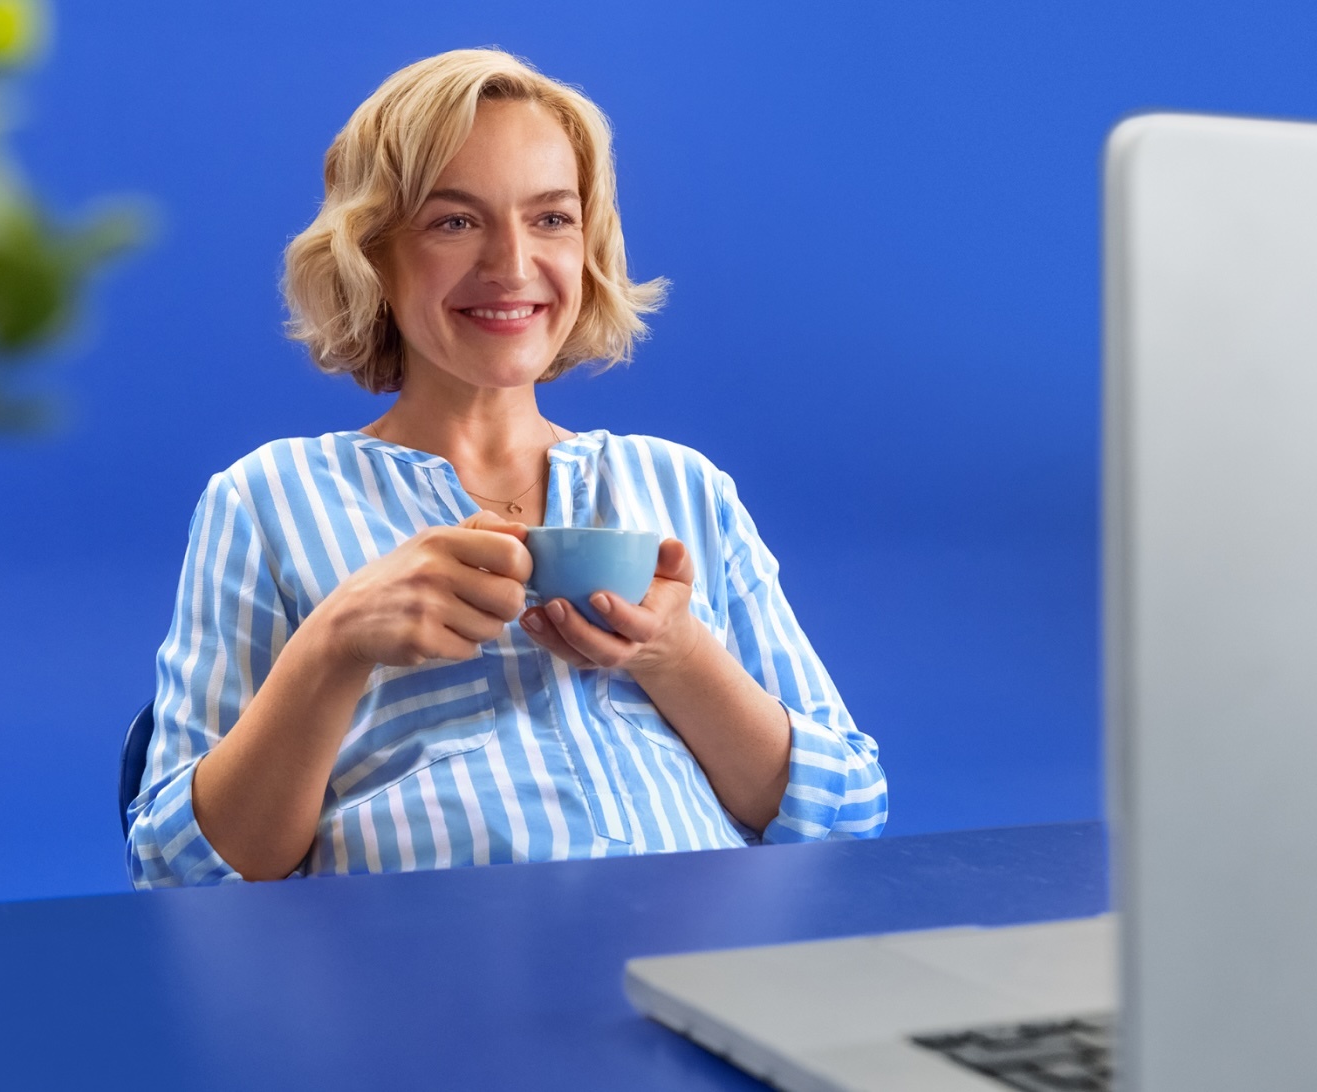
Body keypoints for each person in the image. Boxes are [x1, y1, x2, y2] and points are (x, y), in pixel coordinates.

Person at [126, 49, 887, 887]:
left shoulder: (682, 487)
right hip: (422, 986)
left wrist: (675, 655)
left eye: (551, 219)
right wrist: (334, 646)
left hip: (697, 970)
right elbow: (180, 877)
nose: (513, 266)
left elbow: (848, 812)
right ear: (372, 254)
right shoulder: (268, 499)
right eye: (454, 221)